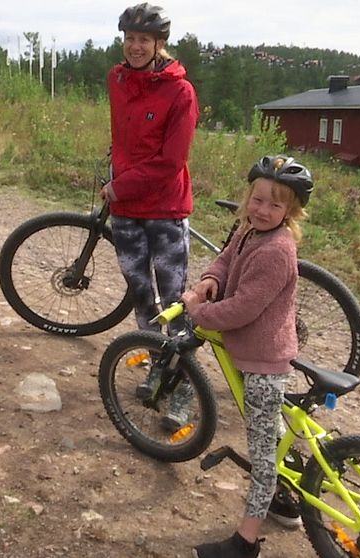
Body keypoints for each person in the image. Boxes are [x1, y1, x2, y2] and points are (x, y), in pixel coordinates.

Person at [183, 155, 314, 558]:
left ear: (291, 212)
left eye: (275, 205)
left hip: (263, 361)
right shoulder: (249, 230)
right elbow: (226, 259)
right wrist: (209, 279)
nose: (262, 210)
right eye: (257, 199)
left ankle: (246, 541)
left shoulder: (277, 250)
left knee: (262, 458)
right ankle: (288, 500)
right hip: (254, 351)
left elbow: (242, 309)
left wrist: (198, 311)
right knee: (273, 432)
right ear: (248, 198)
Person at [101, 2, 199, 431]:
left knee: (175, 305)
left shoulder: (181, 92)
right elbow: (123, 138)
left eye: (144, 39)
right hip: (126, 212)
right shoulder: (117, 79)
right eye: (130, 38)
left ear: (160, 44)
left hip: (164, 210)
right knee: (143, 300)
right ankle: (159, 369)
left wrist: (121, 184)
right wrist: (114, 172)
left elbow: (171, 161)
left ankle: (185, 390)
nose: (136, 46)